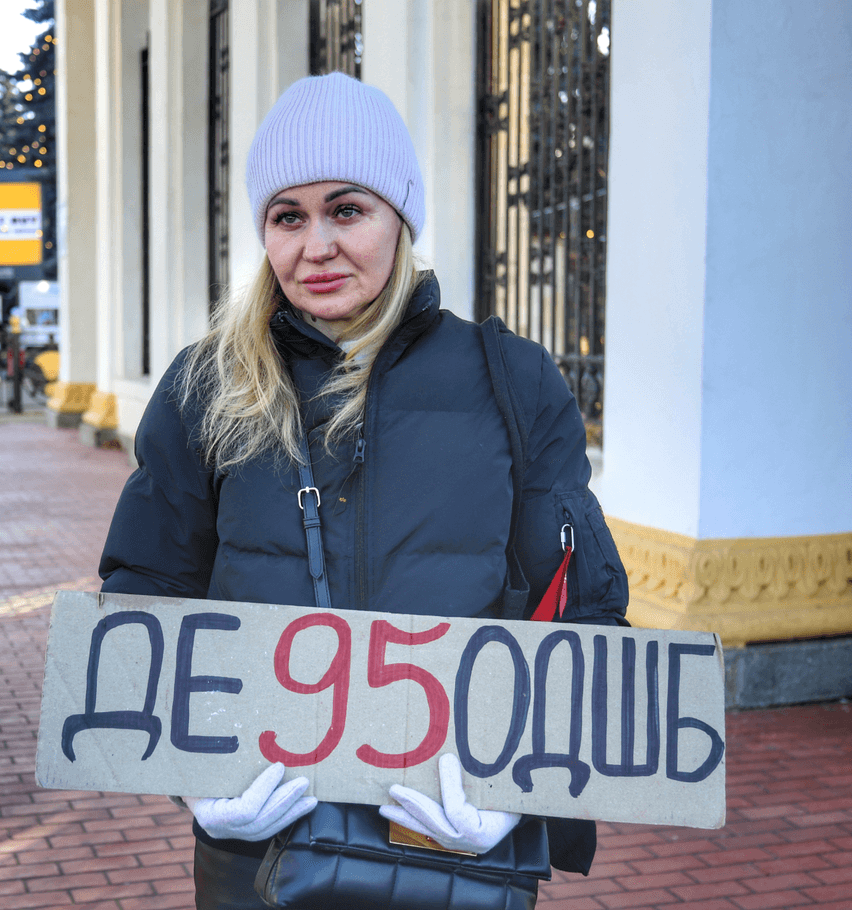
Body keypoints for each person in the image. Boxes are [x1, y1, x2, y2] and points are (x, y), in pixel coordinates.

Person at [98, 72, 628, 910]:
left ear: (400, 218)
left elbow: (585, 615)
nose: (316, 246)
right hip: (264, 853)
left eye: (347, 209)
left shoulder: (513, 383)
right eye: (287, 216)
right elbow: (146, 591)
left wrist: (526, 792)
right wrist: (189, 778)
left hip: (460, 847)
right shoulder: (208, 387)